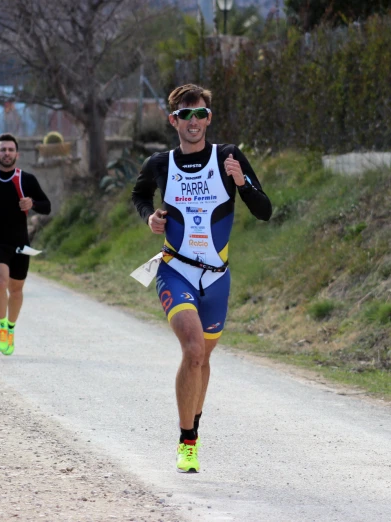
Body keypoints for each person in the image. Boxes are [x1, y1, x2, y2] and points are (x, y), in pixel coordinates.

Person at [131, 84, 272, 473]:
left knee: (203, 359)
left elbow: (265, 211)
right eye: (185, 115)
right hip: (174, 269)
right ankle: (187, 441)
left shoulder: (228, 157)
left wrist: (242, 183)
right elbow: (140, 195)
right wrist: (150, 216)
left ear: (209, 118)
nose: (194, 122)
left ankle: (194, 425)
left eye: (201, 114)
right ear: (172, 120)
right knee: (193, 349)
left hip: (217, 277)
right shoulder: (159, 163)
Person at [0, 133, 51, 356]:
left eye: (10, 150)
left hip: (20, 244)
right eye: (2, 150)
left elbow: (47, 206)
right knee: (0, 282)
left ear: (17, 154)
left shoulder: (27, 180)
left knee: (16, 290)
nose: (6, 153)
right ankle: (2, 327)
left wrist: (32, 202)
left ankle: (11, 329)